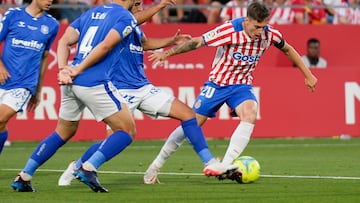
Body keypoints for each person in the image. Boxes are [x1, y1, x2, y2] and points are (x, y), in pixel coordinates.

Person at [57, 0, 239, 187]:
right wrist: (159, 6)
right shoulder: (120, 19)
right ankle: (78, 166)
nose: (140, 8)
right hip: (120, 89)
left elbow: (145, 43)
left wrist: (171, 41)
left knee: (187, 114)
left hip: (143, 87)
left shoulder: (134, 28)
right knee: (116, 137)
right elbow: (133, 18)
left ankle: (210, 163)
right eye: (136, 4)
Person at [144, 1, 318, 184]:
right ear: (247, 20)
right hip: (217, 84)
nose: (260, 32)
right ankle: (154, 167)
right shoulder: (229, 30)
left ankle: (224, 165)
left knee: (251, 112)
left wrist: (308, 74)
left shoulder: (270, 34)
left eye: (263, 27)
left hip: (241, 87)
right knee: (190, 127)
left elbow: (288, 49)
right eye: (257, 27)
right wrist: (166, 54)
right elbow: (198, 42)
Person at [11, 0, 138, 193]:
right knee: (126, 131)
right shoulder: (124, 16)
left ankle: (24, 176)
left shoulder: (91, 13)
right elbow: (105, 46)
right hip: (92, 80)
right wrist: (79, 69)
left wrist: (64, 69)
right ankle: (88, 167)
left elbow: (64, 41)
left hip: (71, 81)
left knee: (63, 132)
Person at [0, 0, 59, 161]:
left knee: (1, 119)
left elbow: (45, 57)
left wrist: (38, 90)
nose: (50, 1)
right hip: (3, 78)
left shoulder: (52, 24)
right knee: (1, 125)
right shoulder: (13, 15)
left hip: (24, 84)